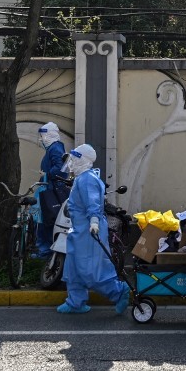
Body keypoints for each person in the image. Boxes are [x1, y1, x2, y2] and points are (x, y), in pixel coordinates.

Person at [56, 144, 130, 315]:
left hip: (90, 230)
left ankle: (119, 292)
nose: (71, 163)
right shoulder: (82, 178)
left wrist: (94, 222)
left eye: (75, 159)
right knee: (73, 268)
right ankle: (76, 302)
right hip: (79, 230)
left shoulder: (88, 179)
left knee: (91, 269)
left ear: (83, 160)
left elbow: (93, 203)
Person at [35, 121, 69, 258]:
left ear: (49, 135)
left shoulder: (55, 149)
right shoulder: (55, 148)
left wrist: (47, 175)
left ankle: (46, 251)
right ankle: (46, 249)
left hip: (51, 190)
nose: (41, 139)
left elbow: (61, 168)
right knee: (46, 220)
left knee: (46, 220)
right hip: (50, 188)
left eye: (43, 135)